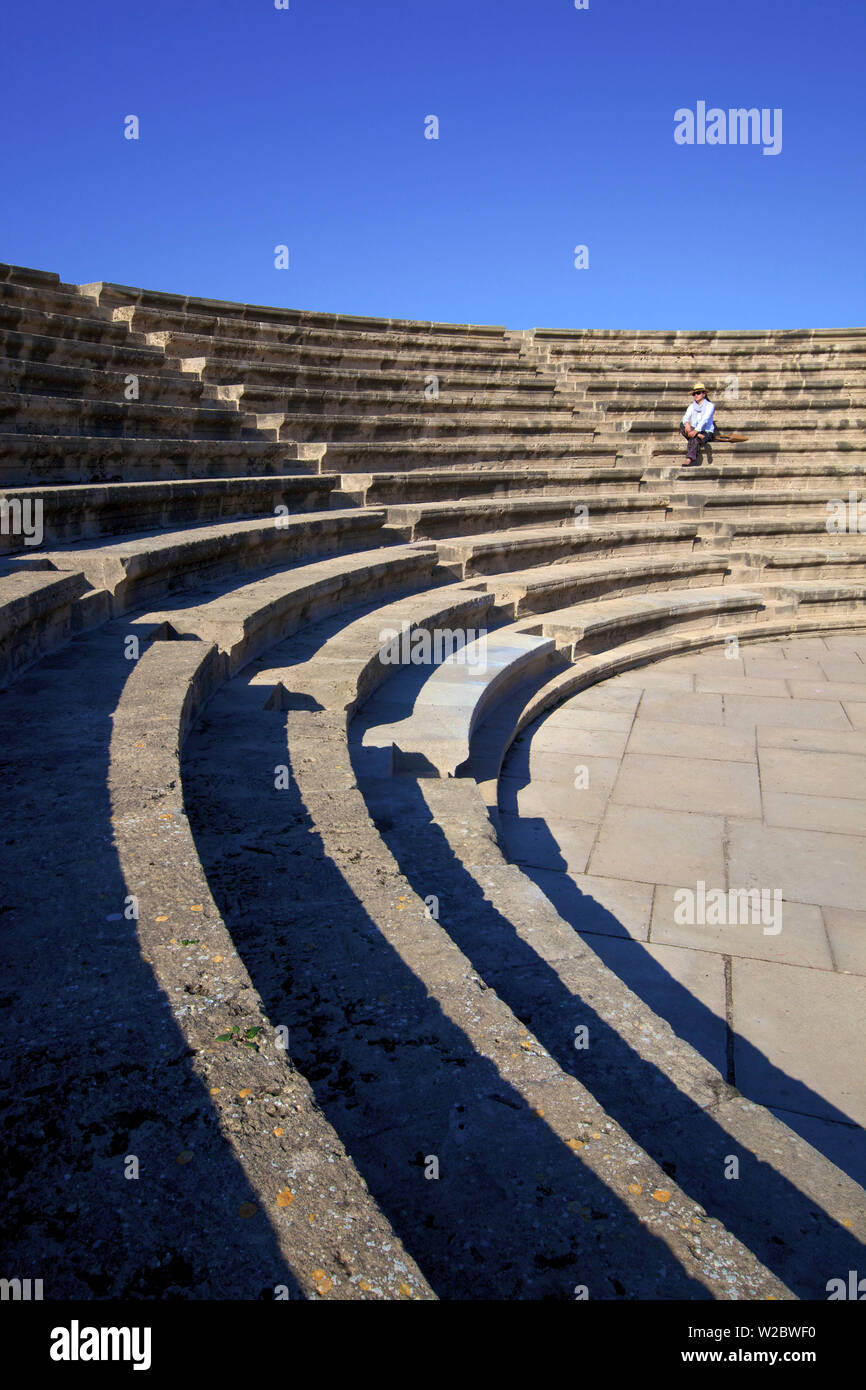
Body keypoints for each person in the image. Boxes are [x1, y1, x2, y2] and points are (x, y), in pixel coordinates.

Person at [680, 382, 715, 465]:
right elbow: (685, 417)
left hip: (706, 431)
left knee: (694, 439)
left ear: (704, 394)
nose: (696, 395)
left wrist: (696, 431)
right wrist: (687, 424)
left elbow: (705, 419)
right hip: (694, 430)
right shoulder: (692, 406)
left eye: (698, 393)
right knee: (682, 425)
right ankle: (698, 436)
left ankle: (689, 458)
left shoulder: (710, 406)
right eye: (694, 394)